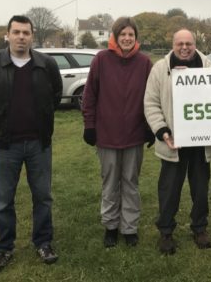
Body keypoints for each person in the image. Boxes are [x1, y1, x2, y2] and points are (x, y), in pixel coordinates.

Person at [0, 15, 63, 274]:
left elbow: (54, 97)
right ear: (8, 35)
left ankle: (44, 242)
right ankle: (4, 248)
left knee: (43, 197)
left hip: (39, 144)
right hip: (5, 145)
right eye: (16, 32)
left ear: (32, 36)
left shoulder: (47, 64)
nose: (21, 37)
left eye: (26, 32)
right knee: (3, 200)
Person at [144, 29, 211, 255]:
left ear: (195, 44)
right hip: (172, 142)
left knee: (200, 188)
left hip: (200, 142)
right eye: (180, 43)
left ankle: (200, 228)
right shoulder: (159, 68)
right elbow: (151, 103)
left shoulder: (208, 67)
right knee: (169, 190)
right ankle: (166, 232)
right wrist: (162, 131)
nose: (184, 47)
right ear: (173, 44)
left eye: (189, 43)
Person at [81, 17, 153, 248]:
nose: (127, 38)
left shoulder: (144, 63)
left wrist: (150, 128)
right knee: (110, 183)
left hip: (134, 135)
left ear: (136, 37)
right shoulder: (101, 60)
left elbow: (152, 98)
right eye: (123, 34)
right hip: (106, 135)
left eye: (131, 35)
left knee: (130, 182)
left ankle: (129, 227)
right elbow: (89, 96)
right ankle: (111, 226)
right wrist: (89, 126)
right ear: (115, 36)